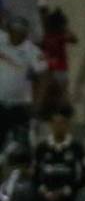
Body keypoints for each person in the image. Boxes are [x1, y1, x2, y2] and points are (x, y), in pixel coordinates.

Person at [0, 15, 46, 150]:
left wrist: (37, 103)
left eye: (21, 33)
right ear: (8, 30)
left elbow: (43, 76)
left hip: (20, 105)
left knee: (21, 145)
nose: (17, 36)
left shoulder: (32, 50)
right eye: (14, 32)